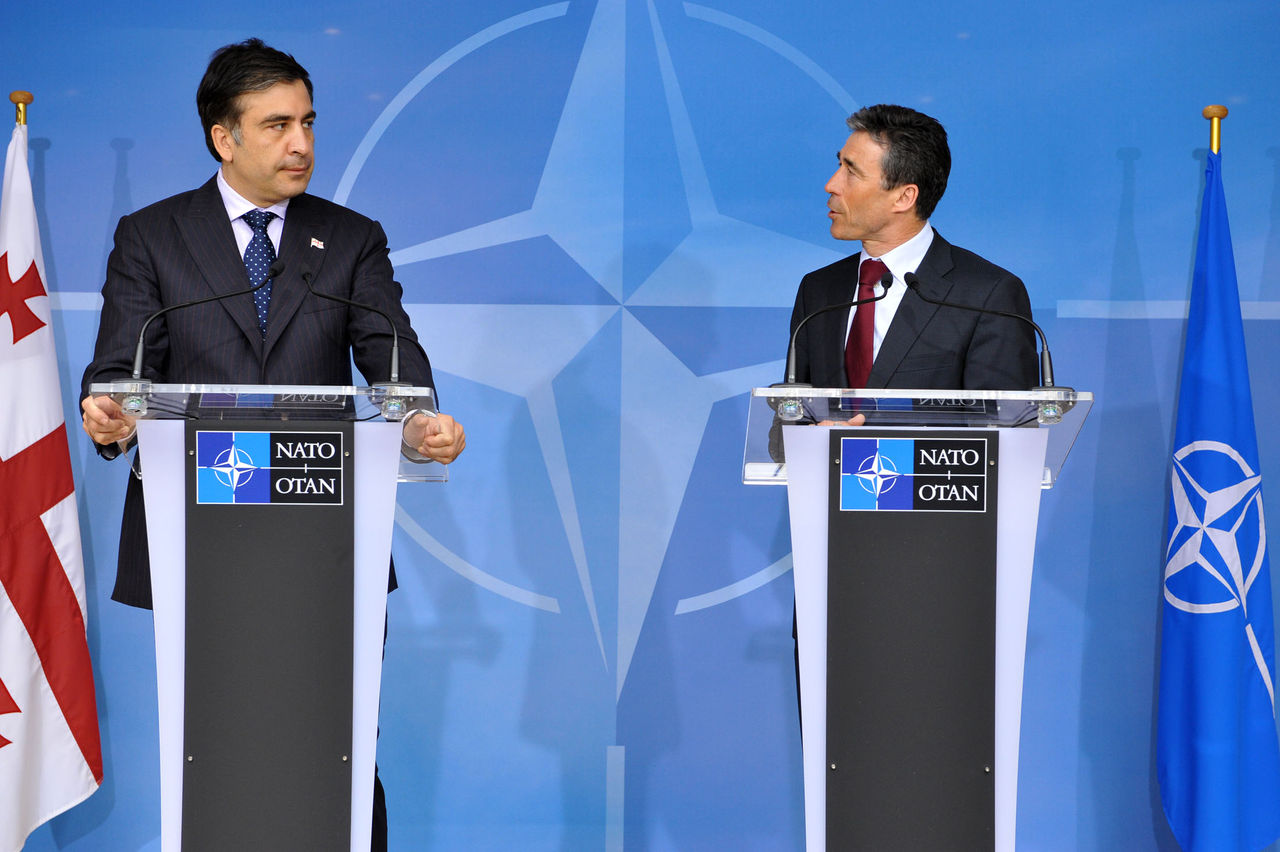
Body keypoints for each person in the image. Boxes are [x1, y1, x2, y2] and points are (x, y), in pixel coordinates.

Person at [78, 38, 463, 851]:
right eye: (278, 125)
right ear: (225, 136)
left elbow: (391, 356)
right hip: (201, 539)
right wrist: (109, 415)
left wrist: (422, 424)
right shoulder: (153, 236)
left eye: (310, 124)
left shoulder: (350, 238)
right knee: (218, 746)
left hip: (324, 537)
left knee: (339, 742)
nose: (302, 145)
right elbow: (121, 371)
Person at [788, 104, 1038, 393]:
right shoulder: (818, 290)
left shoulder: (987, 296)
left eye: (851, 172)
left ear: (905, 197)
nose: (831, 185)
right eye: (838, 165)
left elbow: (1005, 430)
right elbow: (792, 414)